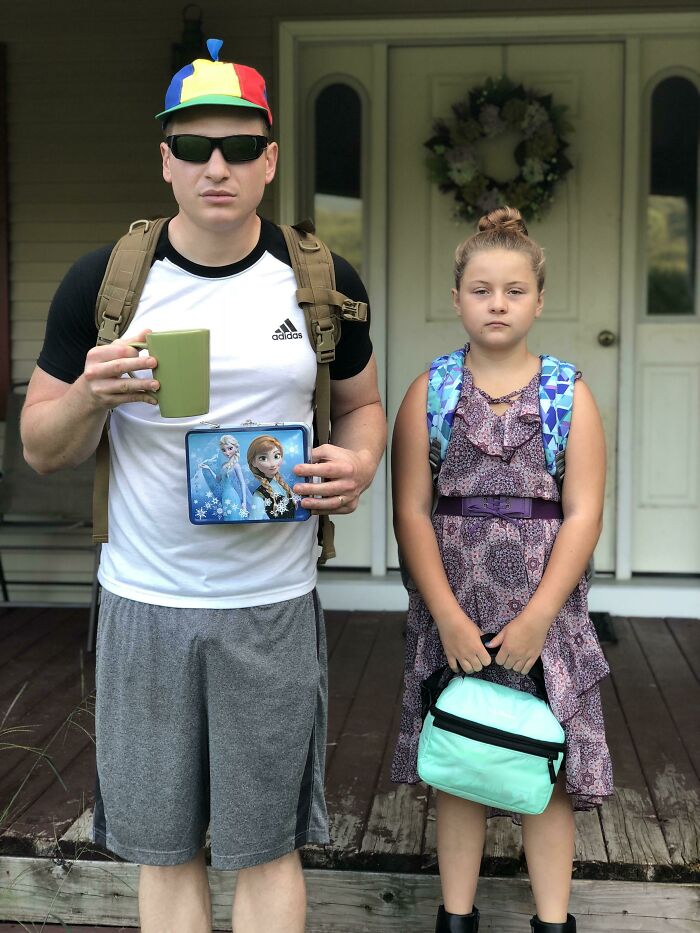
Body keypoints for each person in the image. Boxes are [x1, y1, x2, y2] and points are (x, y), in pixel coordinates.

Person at [20, 38, 386, 933]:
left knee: (266, 846)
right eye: (192, 147)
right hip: (146, 602)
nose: (213, 165)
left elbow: (364, 405)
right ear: (166, 162)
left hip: (272, 602)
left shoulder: (320, 282)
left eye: (235, 147)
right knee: (165, 845)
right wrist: (92, 399)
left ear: (269, 160)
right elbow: (39, 447)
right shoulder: (106, 285)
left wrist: (361, 461)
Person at [391, 207, 612, 933]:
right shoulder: (431, 393)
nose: (497, 302)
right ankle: (456, 918)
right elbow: (412, 512)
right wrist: (450, 617)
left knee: (544, 770)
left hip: (541, 619)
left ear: (539, 300)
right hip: (459, 613)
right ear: (456, 297)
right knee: (462, 759)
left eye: (514, 290)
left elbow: (581, 513)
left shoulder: (566, 395)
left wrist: (541, 615)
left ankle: (553, 922)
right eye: (481, 289)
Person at [247, 434, 298, 520]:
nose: (272, 464)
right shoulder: (259, 495)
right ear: (253, 462)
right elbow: (254, 521)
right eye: (263, 458)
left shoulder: (284, 486)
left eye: (276, 456)